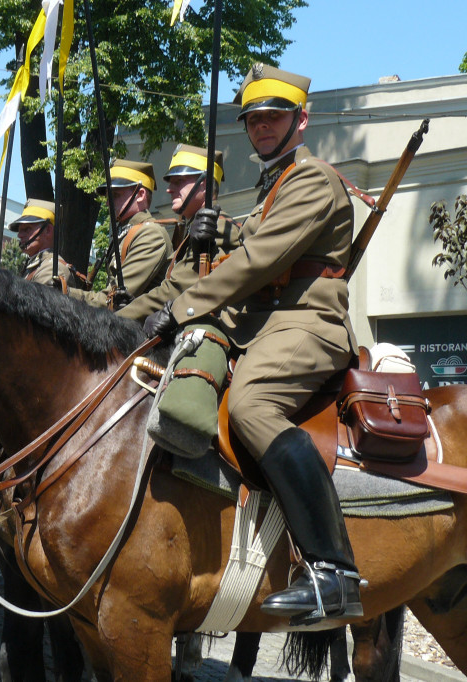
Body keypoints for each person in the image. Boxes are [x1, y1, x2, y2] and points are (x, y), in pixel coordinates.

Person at [142, 65, 363, 625]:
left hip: (306, 323)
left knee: (250, 405)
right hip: (265, 321)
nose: (262, 126)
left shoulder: (312, 179)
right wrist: (219, 233)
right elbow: (254, 244)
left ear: (300, 120)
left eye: (274, 117)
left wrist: (181, 309)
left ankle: (332, 573)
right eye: (254, 119)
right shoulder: (276, 184)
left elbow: (262, 262)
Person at [117, 144, 241, 319]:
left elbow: (176, 289)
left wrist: (115, 318)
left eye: (178, 181)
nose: (169, 189)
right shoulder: (194, 228)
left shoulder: (219, 227)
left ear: (204, 184)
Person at [72, 159, 171, 309]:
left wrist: (65, 294)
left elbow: (114, 298)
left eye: (115, 195)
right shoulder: (126, 232)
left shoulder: (150, 234)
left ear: (140, 195)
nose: (107, 203)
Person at [8, 199, 82, 291]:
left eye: (27, 229)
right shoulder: (35, 265)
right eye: (20, 230)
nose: (19, 235)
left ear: (48, 230)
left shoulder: (52, 269)